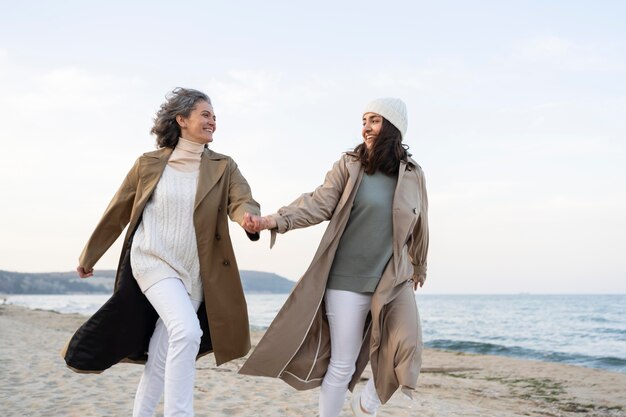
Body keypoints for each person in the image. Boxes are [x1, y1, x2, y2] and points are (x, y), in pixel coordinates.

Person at [62, 87, 261, 416]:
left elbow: (242, 200)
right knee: (187, 330)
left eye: (214, 116)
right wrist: (89, 256)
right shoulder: (148, 164)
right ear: (182, 119)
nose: (213, 121)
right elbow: (117, 212)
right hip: (153, 260)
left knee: (163, 353)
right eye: (205, 114)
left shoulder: (224, 167)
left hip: (196, 271)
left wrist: (248, 219)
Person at [239, 98, 429, 417]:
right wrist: (274, 220)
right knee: (343, 363)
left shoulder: (413, 173)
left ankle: (367, 402)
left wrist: (419, 264)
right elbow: (318, 203)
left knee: (409, 347)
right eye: (364, 120)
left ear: (393, 127)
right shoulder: (351, 165)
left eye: (375, 120)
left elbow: (421, 222)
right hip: (346, 280)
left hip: (393, 278)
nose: (366, 127)